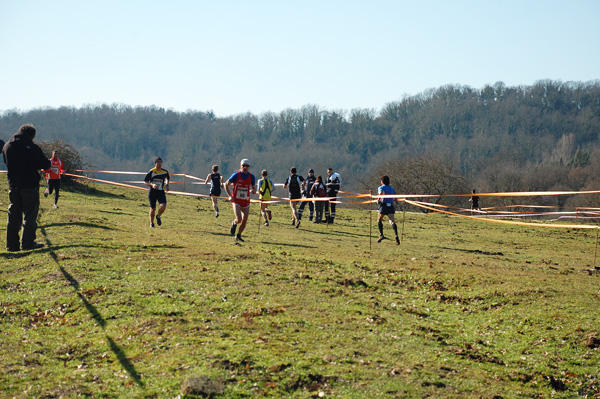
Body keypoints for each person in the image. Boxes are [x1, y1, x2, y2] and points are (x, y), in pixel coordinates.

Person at [2, 124, 52, 251]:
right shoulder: (32, 147)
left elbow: (7, 162)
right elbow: (45, 165)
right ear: (32, 135)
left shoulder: (7, 146)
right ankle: (27, 243)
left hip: (13, 185)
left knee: (13, 215)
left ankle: (11, 245)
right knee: (30, 214)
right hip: (29, 185)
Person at [225, 159, 257, 242]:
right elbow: (226, 184)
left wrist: (254, 191)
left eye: (247, 166)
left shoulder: (251, 177)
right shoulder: (236, 175)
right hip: (236, 201)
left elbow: (254, 188)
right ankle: (234, 223)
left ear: (249, 167)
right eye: (243, 166)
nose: (245, 167)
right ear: (240, 166)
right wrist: (229, 196)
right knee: (239, 219)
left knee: (244, 221)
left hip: (246, 201)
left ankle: (238, 235)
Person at [144, 157, 170, 228]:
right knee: (153, 209)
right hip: (152, 192)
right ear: (155, 163)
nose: (159, 164)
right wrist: (152, 185)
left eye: (160, 162)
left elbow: (167, 178)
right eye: (158, 162)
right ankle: (151, 223)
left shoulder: (165, 172)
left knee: (163, 206)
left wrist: (167, 184)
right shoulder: (151, 172)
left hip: (161, 191)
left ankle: (158, 216)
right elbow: (145, 182)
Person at [376, 175, 400, 245]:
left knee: (379, 220)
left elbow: (381, 193)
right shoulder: (392, 188)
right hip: (390, 206)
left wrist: (378, 200)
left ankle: (381, 235)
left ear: (382, 181)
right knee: (392, 221)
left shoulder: (381, 187)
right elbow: (395, 197)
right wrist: (396, 201)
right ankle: (396, 235)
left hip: (383, 206)